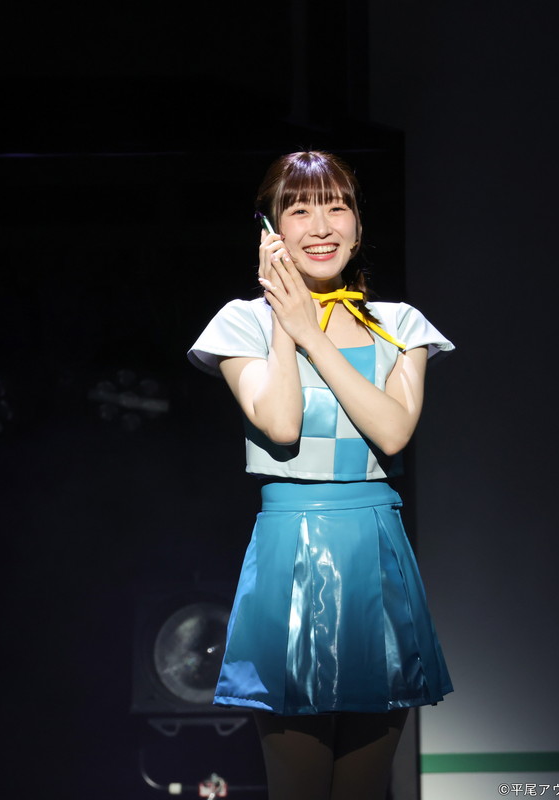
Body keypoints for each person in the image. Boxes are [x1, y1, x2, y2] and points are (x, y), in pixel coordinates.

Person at [187, 151, 454, 800]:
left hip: (374, 549)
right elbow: (280, 425)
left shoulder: (400, 324)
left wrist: (315, 334)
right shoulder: (242, 322)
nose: (322, 225)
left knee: (364, 788)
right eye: (300, 209)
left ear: (358, 226)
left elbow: (392, 431)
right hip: (290, 551)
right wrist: (288, 323)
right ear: (271, 229)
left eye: (338, 207)